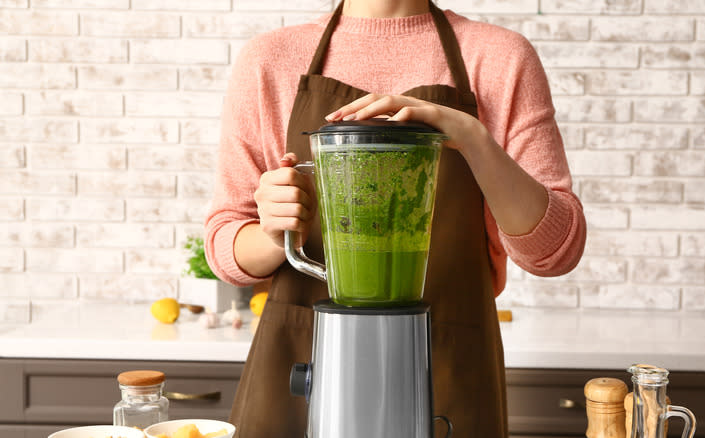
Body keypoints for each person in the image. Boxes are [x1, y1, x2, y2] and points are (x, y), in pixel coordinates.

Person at [204, 0, 587, 436]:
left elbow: (555, 253)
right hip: (306, 367)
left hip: (446, 375)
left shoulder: (501, 58)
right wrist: (274, 234)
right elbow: (224, 246)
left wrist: (476, 141)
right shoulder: (270, 60)